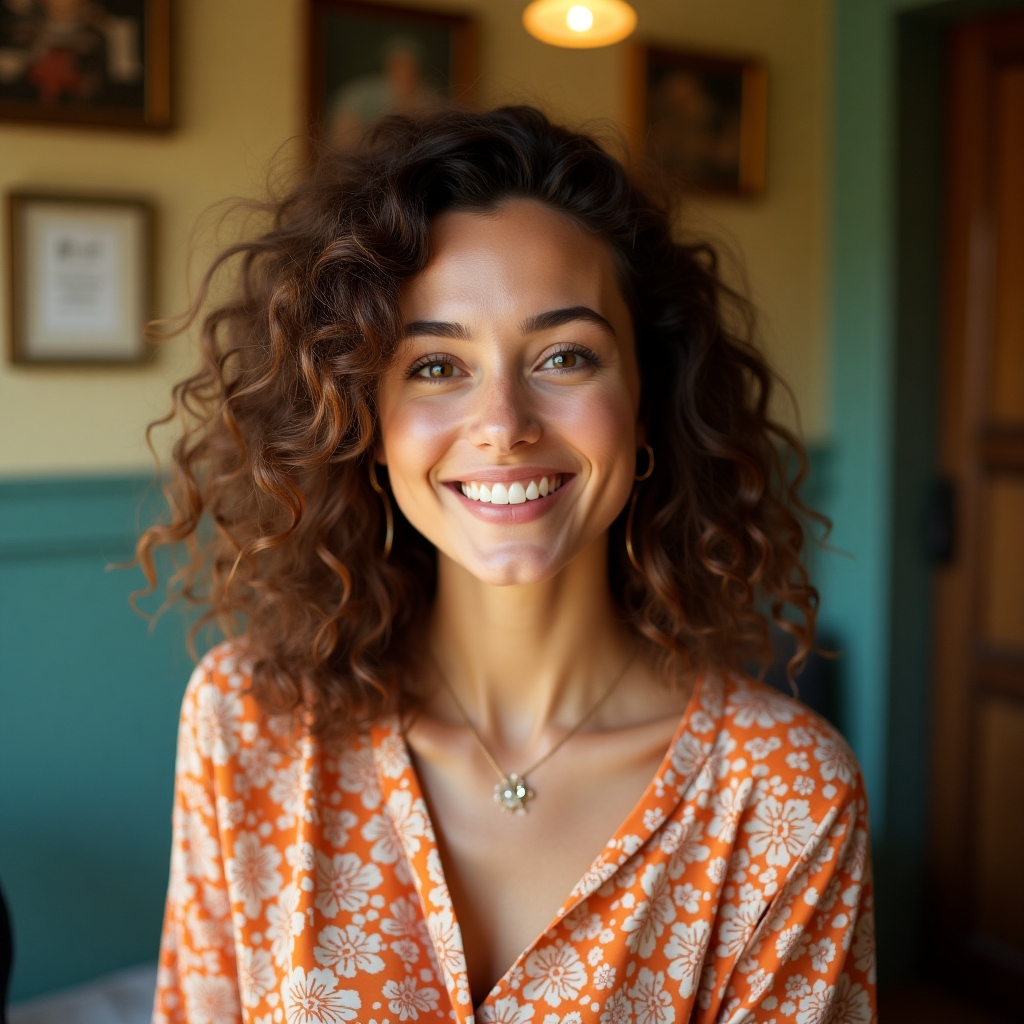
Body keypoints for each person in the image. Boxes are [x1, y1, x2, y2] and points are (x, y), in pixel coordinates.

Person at [142, 106, 876, 1024]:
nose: (504, 423)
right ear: (362, 424)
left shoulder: (785, 796)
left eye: (566, 355)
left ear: (647, 402)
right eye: (436, 367)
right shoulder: (249, 724)